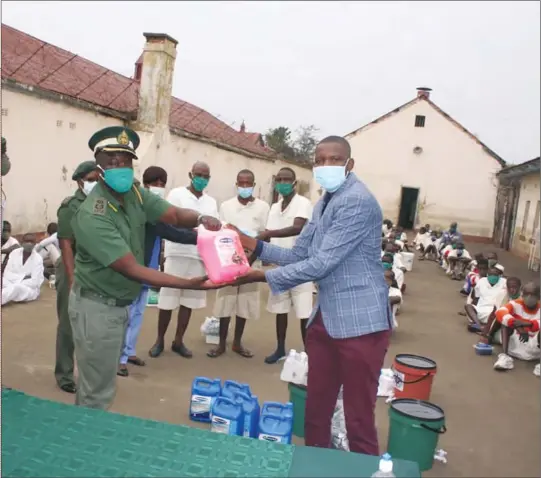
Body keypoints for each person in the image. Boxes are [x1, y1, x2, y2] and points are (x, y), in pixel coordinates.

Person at [229, 136, 392, 456]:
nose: (326, 166)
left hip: (360, 322)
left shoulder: (357, 200)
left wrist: (260, 274)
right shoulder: (325, 201)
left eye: (334, 159)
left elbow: (322, 264)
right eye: (320, 160)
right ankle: (314, 463)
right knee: (316, 407)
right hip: (327, 319)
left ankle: (365, 468)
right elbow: (301, 253)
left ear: (349, 164)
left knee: (357, 417)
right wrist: (255, 246)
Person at [69, 126, 221, 410]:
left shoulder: (135, 194)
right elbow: (130, 268)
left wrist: (202, 217)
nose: (120, 167)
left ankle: (88, 432)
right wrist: (187, 283)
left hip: (119, 305)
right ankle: (87, 445)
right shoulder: (93, 214)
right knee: (96, 393)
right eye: (112, 161)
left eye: (126, 161)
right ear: (98, 167)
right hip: (97, 308)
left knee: (100, 383)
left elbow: (173, 214)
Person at [118, 166, 199, 376]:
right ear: (145, 185)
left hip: (148, 267)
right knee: (125, 314)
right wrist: (201, 237)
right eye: (155, 183)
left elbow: (172, 228)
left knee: (137, 313)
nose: (159, 187)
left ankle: (129, 352)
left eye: (163, 184)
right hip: (134, 268)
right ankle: (120, 359)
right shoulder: (139, 206)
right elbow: (171, 232)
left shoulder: (153, 207)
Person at [149, 161, 219, 359]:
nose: (201, 179)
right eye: (198, 175)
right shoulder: (176, 194)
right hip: (176, 253)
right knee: (167, 301)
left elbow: (213, 229)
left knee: (189, 302)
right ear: (190, 174)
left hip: (199, 256)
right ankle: (159, 340)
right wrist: (194, 230)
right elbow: (170, 221)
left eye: (205, 176)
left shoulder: (211, 203)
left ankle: (178, 341)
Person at [206, 169, 270, 359]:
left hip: (252, 260)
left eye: (247, 183)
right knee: (225, 301)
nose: (244, 187)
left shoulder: (263, 207)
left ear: (254, 185)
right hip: (229, 260)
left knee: (245, 303)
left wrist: (249, 258)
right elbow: (221, 233)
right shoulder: (226, 206)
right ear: (236, 184)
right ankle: (221, 344)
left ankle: (237, 343)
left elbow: (265, 234)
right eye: (241, 183)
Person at [257, 167, 314, 364]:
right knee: (280, 310)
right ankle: (280, 348)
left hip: (301, 265)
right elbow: (266, 233)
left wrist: (268, 234)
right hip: (279, 265)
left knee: (304, 313)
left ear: (294, 183)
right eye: (279, 179)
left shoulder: (303, 204)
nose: (282, 182)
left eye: (286, 179)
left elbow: (297, 227)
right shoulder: (274, 207)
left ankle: (308, 354)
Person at [54, 160, 100, 394]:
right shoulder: (70, 206)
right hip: (73, 267)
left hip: (95, 270)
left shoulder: (103, 204)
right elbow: (66, 245)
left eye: (98, 179)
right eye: (91, 180)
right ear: (80, 181)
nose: (95, 184)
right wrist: (73, 279)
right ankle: (64, 374)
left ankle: (89, 373)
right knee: (69, 324)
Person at [485, 282, 540, 374]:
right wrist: (520, 328)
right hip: (514, 343)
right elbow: (500, 312)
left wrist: (528, 324)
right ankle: (505, 357)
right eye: (526, 294)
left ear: (539, 296)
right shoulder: (515, 304)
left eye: (533, 294)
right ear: (522, 294)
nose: (529, 297)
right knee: (505, 321)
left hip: (534, 348)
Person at [2, 233, 44, 306]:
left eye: (31, 242)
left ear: (35, 244)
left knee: (16, 288)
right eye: (27, 241)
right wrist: (24, 277)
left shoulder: (38, 259)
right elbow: (6, 274)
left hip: (29, 290)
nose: (29, 244)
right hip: (9, 283)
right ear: (22, 242)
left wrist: (15, 279)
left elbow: (35, 282)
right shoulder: (14, 253)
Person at [464, 265, 507, 331]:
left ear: (499, 276)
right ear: (487, 275)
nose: (493, 277)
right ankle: (478, 325)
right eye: (491, 274)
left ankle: (485, 327)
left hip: (495, 311)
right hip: (481, 310)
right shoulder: (481, 281)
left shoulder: (504, 282)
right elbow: (476, 298)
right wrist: (470, 312)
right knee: (468, 306)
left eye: (495, 275)